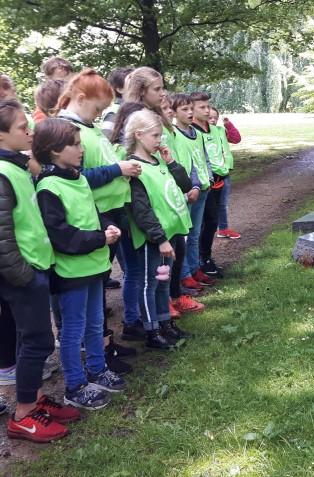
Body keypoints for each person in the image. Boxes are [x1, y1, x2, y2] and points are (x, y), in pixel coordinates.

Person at [33, 118, 127, 409]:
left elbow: (93, 212)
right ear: (55, 150)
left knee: (96, 324)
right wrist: (100, 239)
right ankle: (75, 385)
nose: (81, 148)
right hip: (71, 272)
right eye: (74, 144)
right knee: (73, 332)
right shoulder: (49, 187)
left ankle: (97, 370)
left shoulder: (80, 177)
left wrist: (108, 226)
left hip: (95, 267)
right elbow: (60, 234)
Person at [0, 100, 77, 442]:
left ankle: (31, 400)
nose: (29, 132)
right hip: (23, 274)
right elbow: (2, 237)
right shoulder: (2, 175)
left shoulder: (17, 166)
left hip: (35, 267)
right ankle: (23, 416)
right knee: (38, 341)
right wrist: (24, 276)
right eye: (21, 127)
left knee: (30, 340)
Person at [56, 69, 139, 374]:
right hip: (92, 217)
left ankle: (103, 345)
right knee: (92, 291)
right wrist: (117, 169)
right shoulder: (66, 132)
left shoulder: (86, 128)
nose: (100, 115)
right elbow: (77, 177)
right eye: (97, 108)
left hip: (109, 212)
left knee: (100, 284)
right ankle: (96, 352)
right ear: (80, 98)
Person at [124, 109, 193, 349]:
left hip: (170, 233)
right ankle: (151, 331)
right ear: (139, 135)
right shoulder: (134, 168)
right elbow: (141, 210)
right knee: (149, 284)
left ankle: (166, 324)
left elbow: (184, 185)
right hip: (153, 238)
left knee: (164, 282)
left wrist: (171, 162)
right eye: (155, 135)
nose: (159, 140)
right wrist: (159, 238)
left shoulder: (159, 160)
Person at [167, 93, 206, 315]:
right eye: (185, 109)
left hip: (197, 188)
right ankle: (180, 282)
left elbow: (198, 161)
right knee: (180, 238)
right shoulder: (171, 135)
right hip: (180, 194)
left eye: (191, 108)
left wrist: (199, 184)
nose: (190, 112)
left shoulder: (196, 133)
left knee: (194, 234)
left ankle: (192, 271)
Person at [190, 92, 226, 277]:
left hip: (214, 181)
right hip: (198, 185)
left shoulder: (212, 129)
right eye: (202, 107)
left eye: (208, 106)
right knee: (200, 224)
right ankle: (198, 262)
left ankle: (205, 257)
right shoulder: (191, 130)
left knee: (212, 220)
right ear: (192, 109)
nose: (207, 110)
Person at [209, 106, 241, 240]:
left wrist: (228, 124)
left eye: (215, 118)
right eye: (210, 117)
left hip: (225, 172)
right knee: (210, 206)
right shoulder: (199, 133)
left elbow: (236, 139)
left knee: (223, 203)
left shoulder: (220, 130)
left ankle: (223, 228)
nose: (213, 120)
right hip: (211, 175)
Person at [100, 67, 134, 142]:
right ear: (119, 89)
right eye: (131, 84)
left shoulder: (133, 109)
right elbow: (105, 142)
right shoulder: (114, 111)